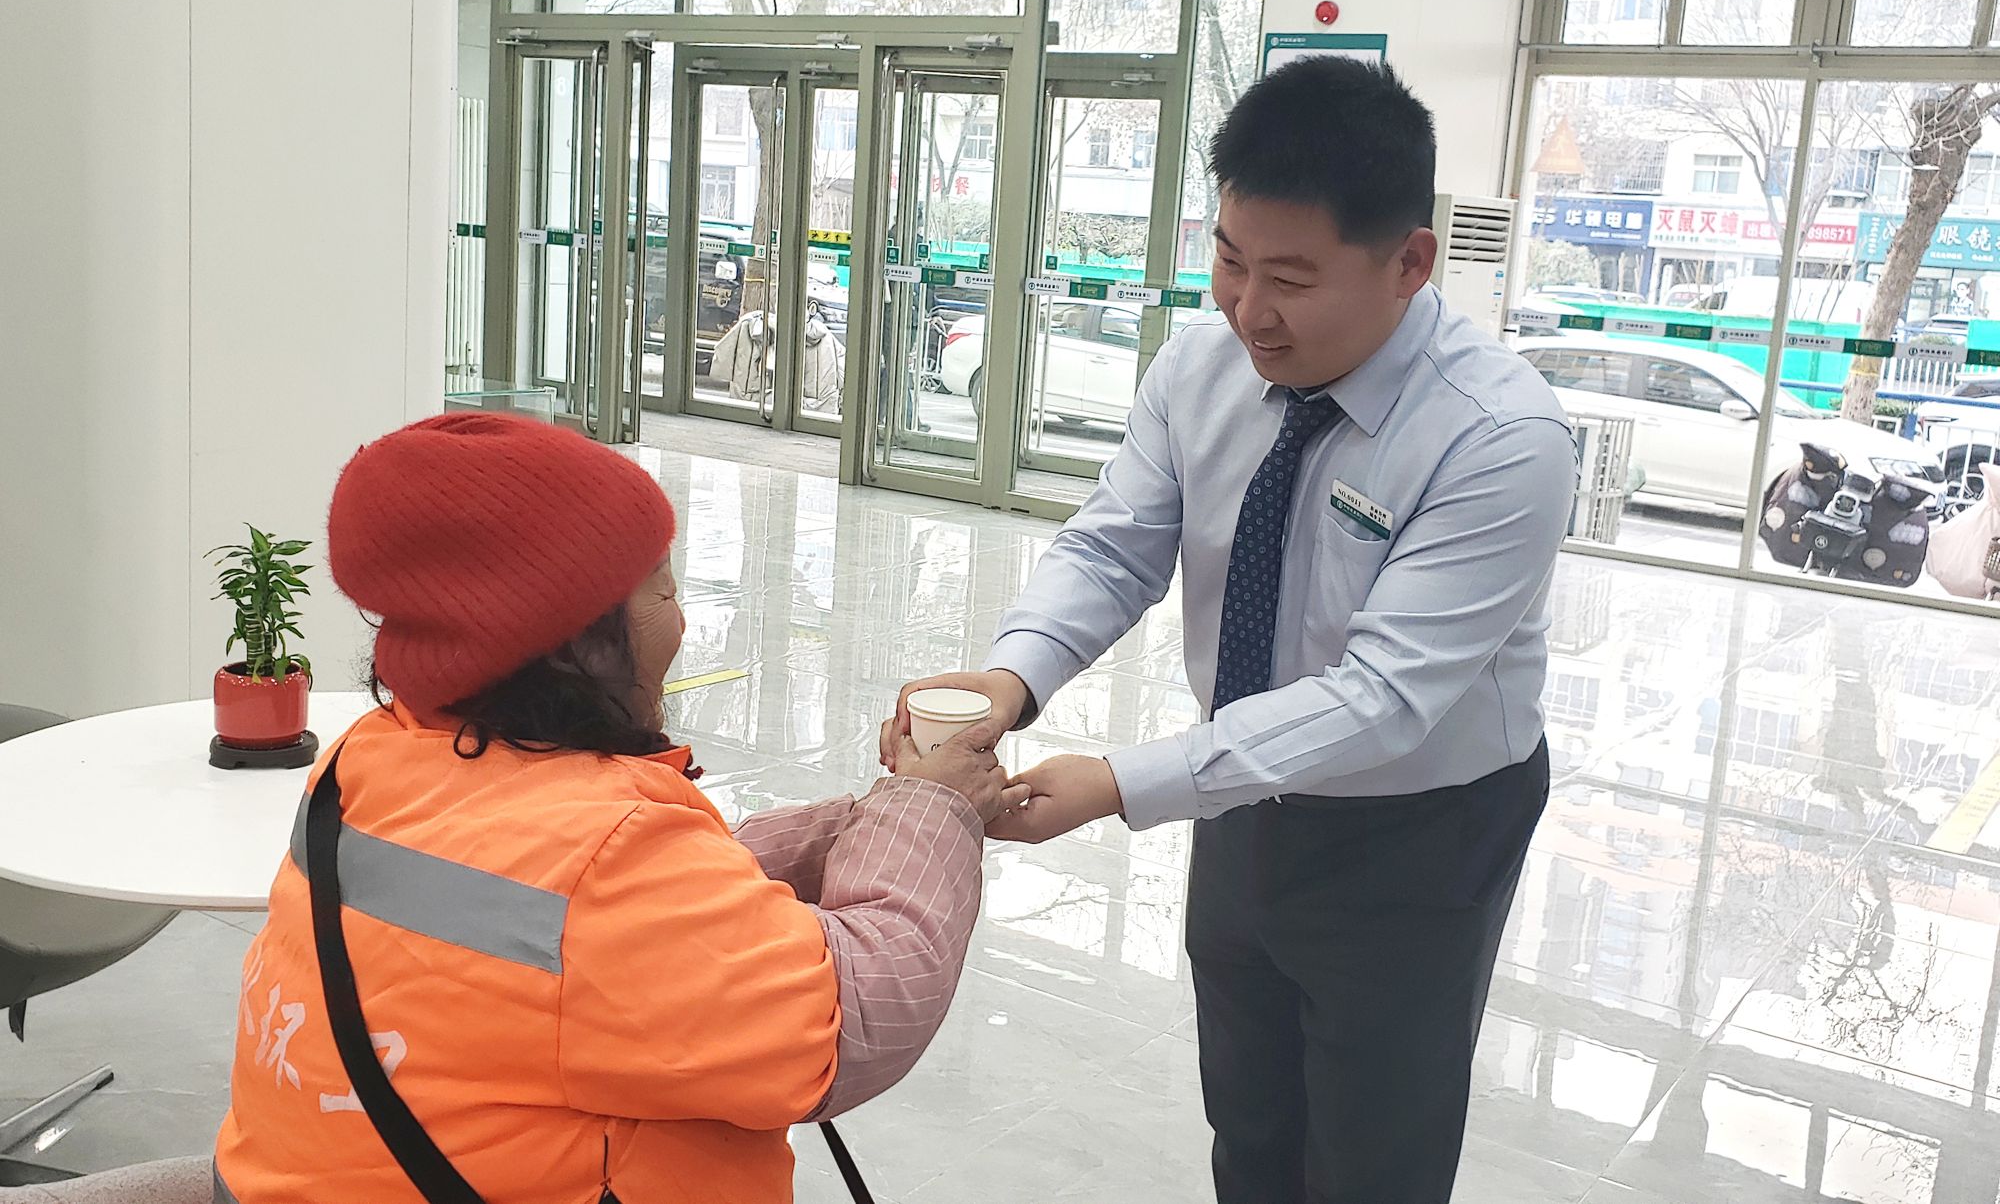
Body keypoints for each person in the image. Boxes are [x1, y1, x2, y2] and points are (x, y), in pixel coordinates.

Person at [885, 58, 1575, 1204]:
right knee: (1249, 1118)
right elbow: (1114, 547)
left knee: (1374, 1150)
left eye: (1291, 278)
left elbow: (1382, 699)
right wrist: (1011, 679)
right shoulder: (1198, 369)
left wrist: (1116, 781)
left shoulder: (1496, 436)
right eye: (1229, 259)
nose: (1249, 309)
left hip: (1420, 827)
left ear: (1409, 262)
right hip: (1241, 787)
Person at [214, 413, 1023, 1203]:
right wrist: (931, 806)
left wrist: (867, 823)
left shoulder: (366, 759)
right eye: (663, 587)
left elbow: (598, 914)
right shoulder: (604, 861)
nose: (683, 621)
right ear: (578, 640)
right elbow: (863, 1007)